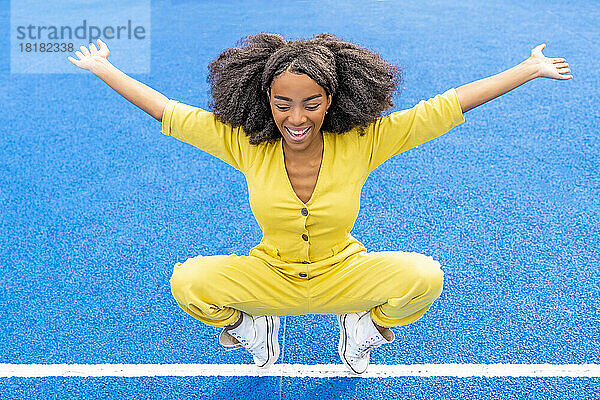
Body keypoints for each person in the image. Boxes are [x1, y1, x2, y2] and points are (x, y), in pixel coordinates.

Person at [69, 33, 571, 374]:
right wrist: (102, 68)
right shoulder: (246, 143)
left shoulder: (364, 141)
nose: (296, 116)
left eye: (311, 102)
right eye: (282, 103)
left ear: (331, 100)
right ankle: (250, 327)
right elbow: (168, 112)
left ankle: (363, 328)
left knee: (423, 277)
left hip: (343, 276)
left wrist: (527, 69)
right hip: (271, 276)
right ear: (265, 101)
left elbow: (444, 108)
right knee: (189, 282)